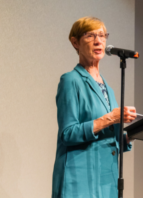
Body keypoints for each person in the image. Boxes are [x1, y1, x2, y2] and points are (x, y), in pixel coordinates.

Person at [52, 17, 136, 198]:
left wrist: (132, 135)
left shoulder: (109, 90)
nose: (99, 41)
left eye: (102, 35)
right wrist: (111, 118)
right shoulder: (70, 81)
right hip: (79, 181)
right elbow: (67, 134)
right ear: (75, 42)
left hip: (106, 180)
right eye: (90, 35)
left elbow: (108, 139)